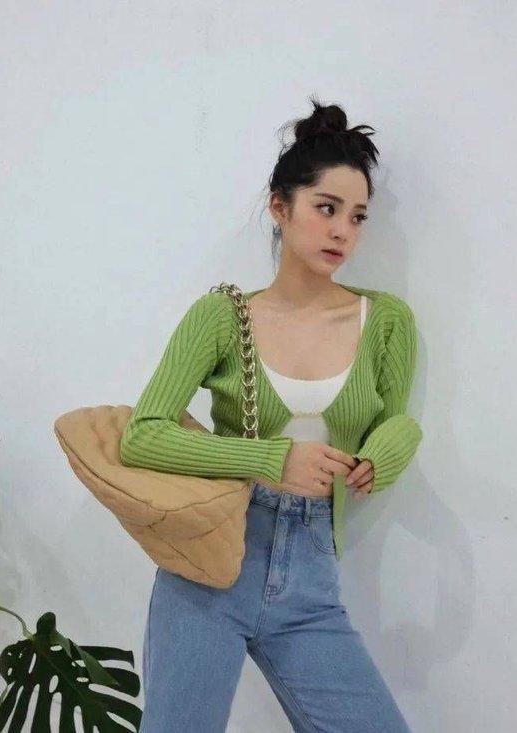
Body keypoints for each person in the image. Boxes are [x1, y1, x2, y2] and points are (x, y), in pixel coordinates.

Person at [120, 96, 423, 732]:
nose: (343, 231)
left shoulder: (385, 319)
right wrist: (269, 459)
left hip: (311, 575)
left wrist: (382, 456)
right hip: (211, 564)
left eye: (357, 217)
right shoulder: (221, 316)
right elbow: (143, 436)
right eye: (326, 208)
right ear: (279, 206)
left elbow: (398, 418)